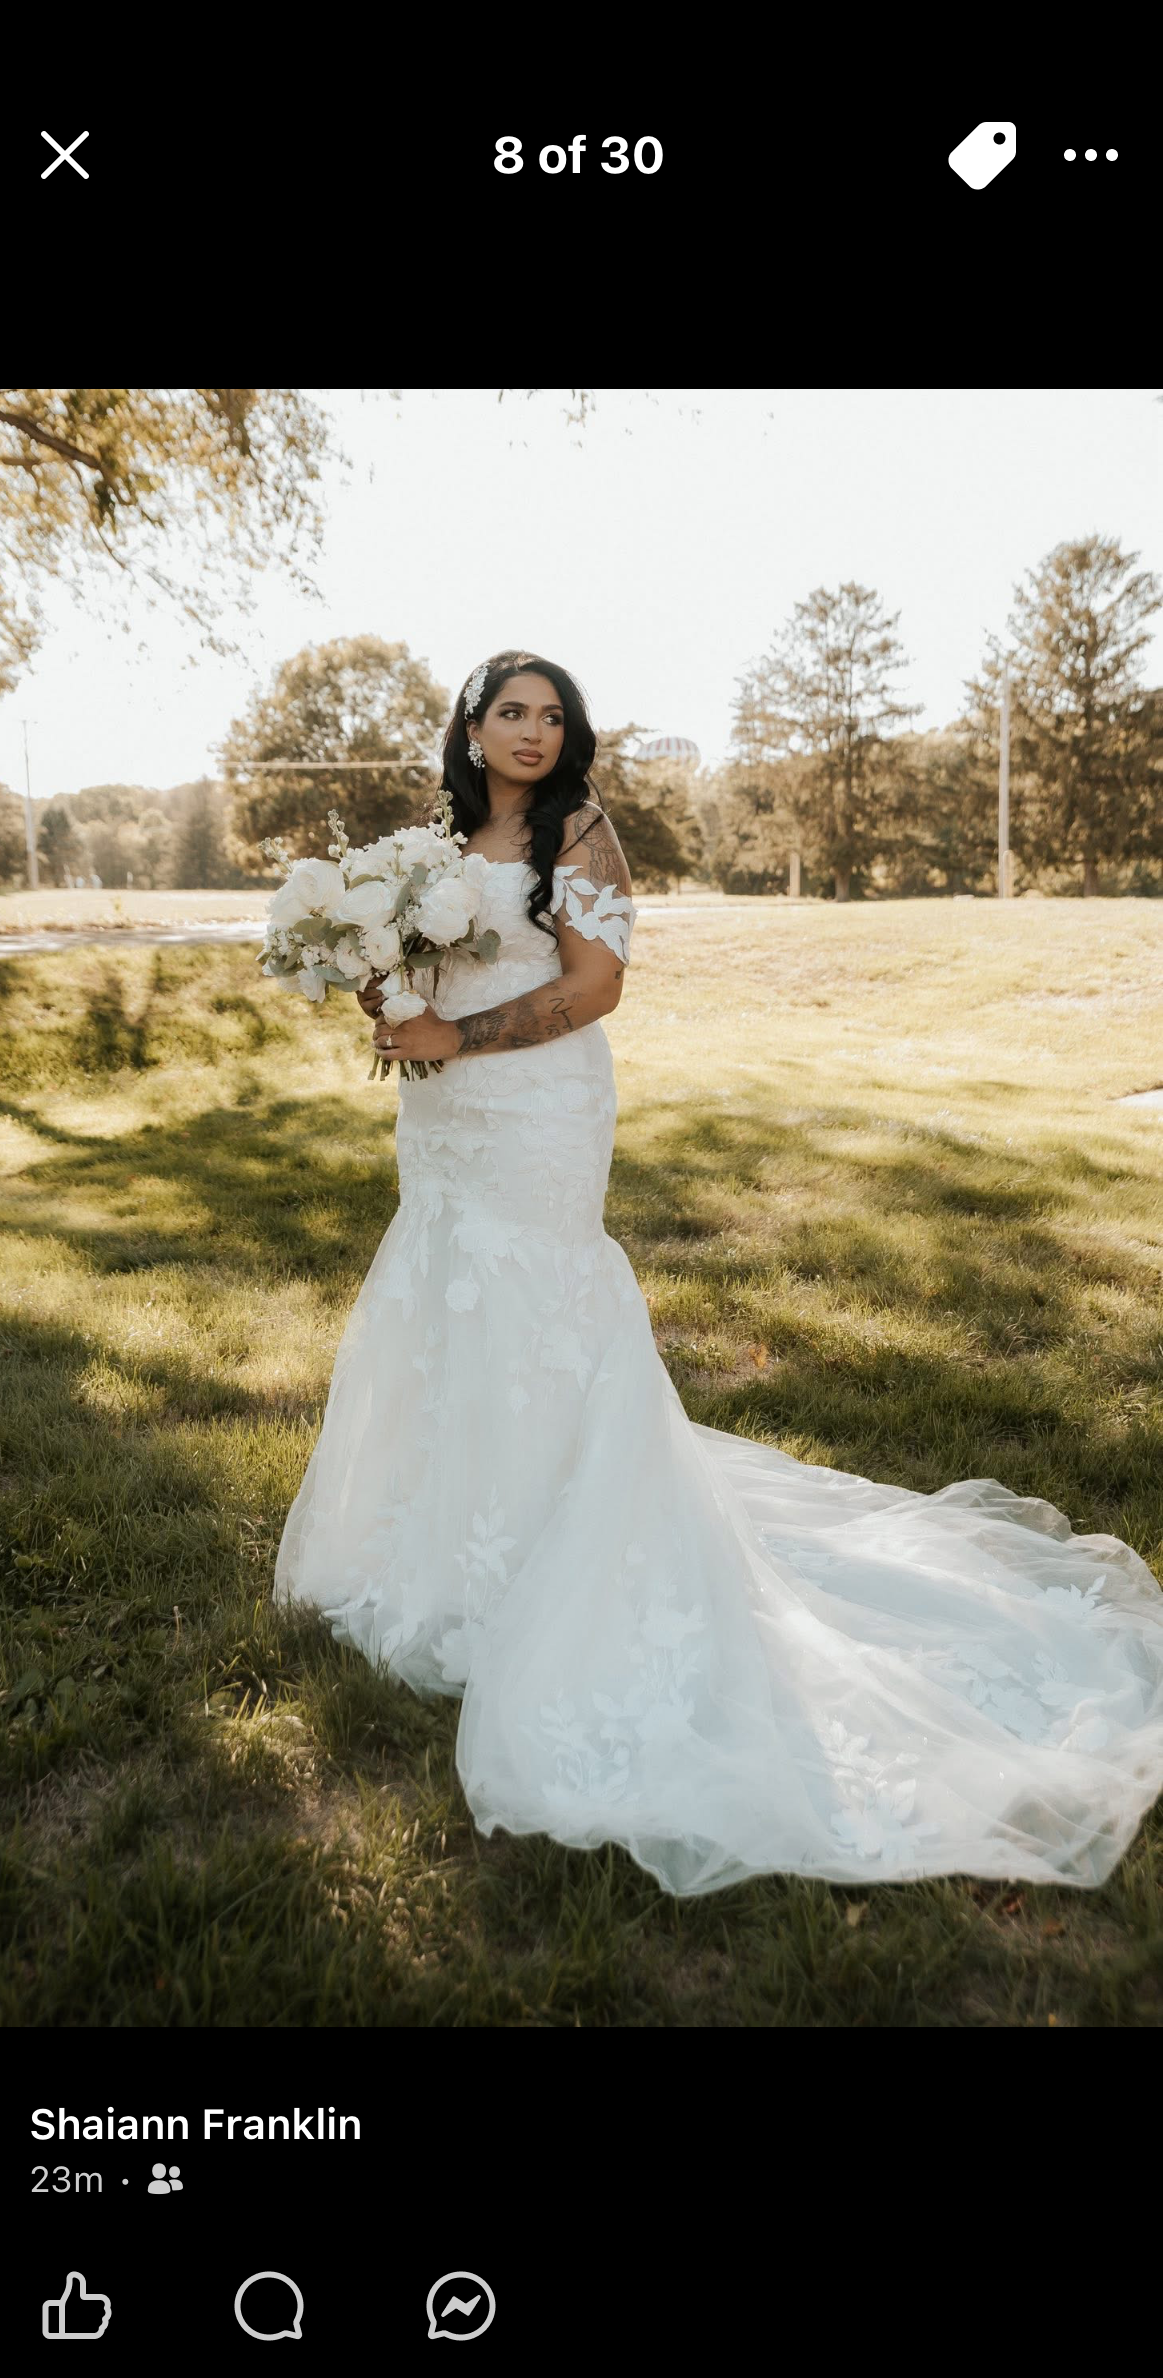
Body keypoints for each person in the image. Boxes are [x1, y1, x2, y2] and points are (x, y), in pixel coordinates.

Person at [273, 649, 1163, 1897]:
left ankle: (567, 1552)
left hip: (535, 1111)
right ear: (471, 731)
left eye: (553, 715)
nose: (534, 732)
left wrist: (455, 1035)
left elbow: (596, 990)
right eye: (511, 713)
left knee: (543, 1305)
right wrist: (378, 984)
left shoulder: (581, 832)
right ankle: (443, 1551)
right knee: (444, 1297)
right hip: (445, 1124)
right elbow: (421, 978)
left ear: (569, 736)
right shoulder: (433, 837)